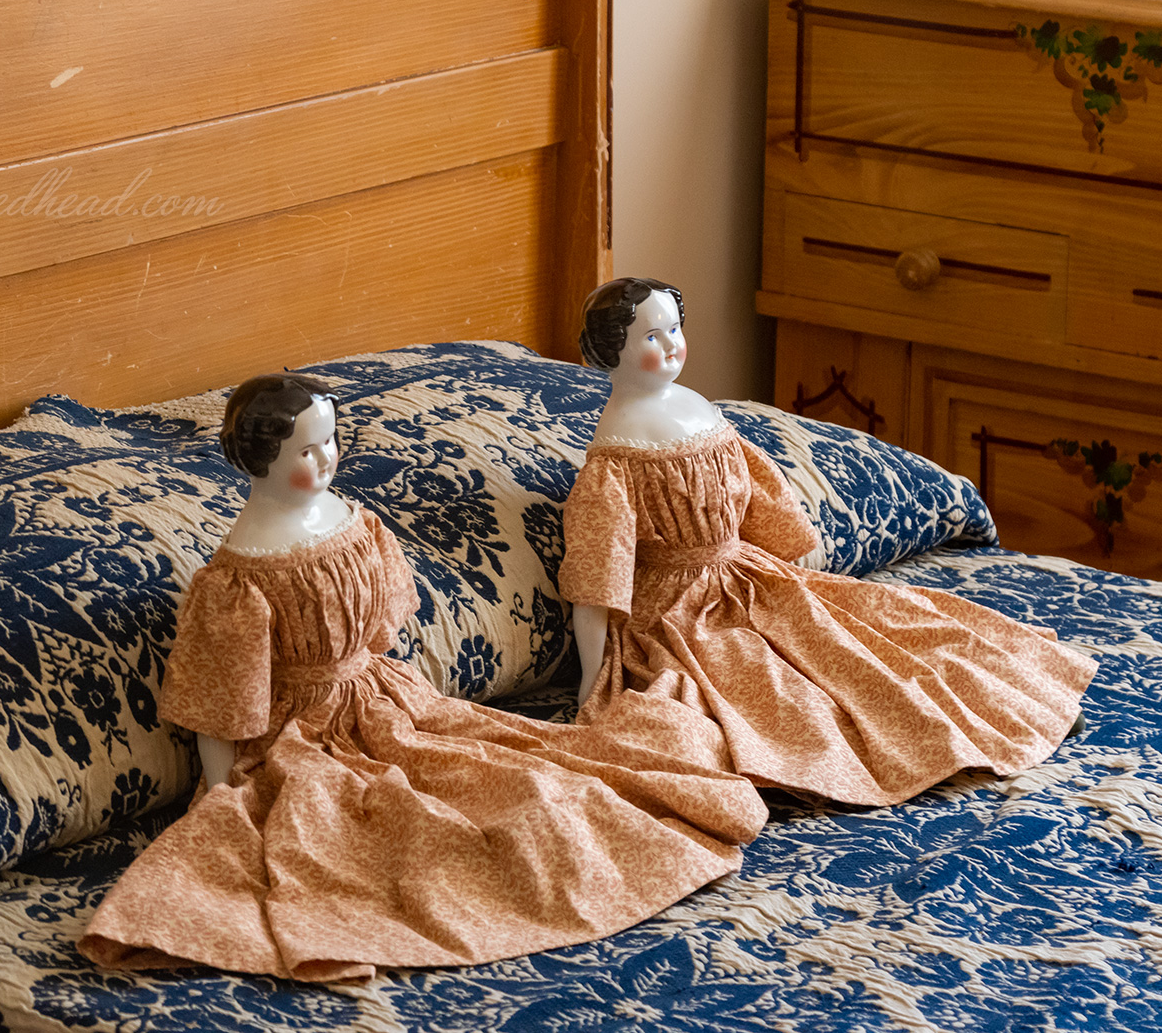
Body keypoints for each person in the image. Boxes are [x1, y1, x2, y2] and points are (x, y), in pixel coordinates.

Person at [79, 373, 767, 982]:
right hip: (301, 736)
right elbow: (223, 703)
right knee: (402, 839)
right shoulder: (239, 577)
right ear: (260, 459)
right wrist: (222, 793)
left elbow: (381, 628)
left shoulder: (354, 520)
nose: (325, 459)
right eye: (305, 451)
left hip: (384, 698)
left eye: (329, 441)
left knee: (530, 777)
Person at [560, 278, 1096, 807]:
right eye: (651, 337)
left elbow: (756, 495)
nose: (672, 345)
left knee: (872, 635)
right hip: (676, 611)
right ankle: (871, 752)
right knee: (772, 687)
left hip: (742, 574)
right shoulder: (616, 454)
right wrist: (592, 677)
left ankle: (986, 709)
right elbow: (598, 575)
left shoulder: (696, 406)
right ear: (613, 350)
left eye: (675, 329)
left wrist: (782, 567)